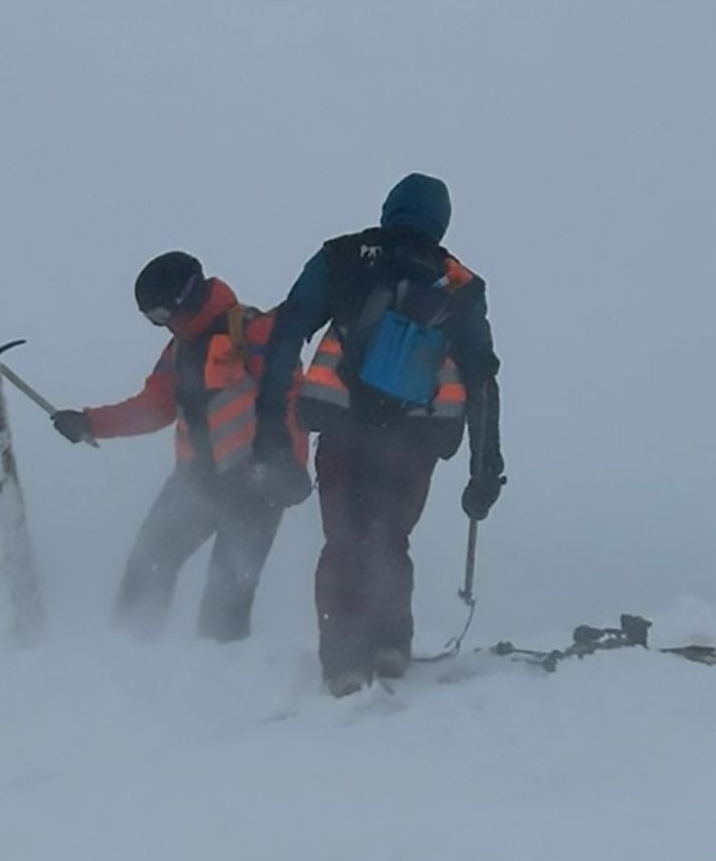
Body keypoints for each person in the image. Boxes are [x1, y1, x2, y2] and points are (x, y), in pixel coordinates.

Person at [253, 173, 505, 696]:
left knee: (344, 538)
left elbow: (288, 331)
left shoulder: (342, 257)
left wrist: (271, 420)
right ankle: (391, 644)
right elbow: (481, 378)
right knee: (390, 534)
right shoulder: (460, 283)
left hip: (344, 422)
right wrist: (486, 466)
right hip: (416, 435)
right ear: (441, 222)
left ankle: (344, 658)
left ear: (390, 209)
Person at [50, 251, 311, 643]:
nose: (161, 326)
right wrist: (90, 423)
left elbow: (290, 400)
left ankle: (220, 677)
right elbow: (155, 407)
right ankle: (126, 654)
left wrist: (289, 464)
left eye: (160, 314)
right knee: (149, 563)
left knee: (228, 590)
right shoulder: (179, 349)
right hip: (195, 481)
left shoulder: (254, 332)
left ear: (185, 297)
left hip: (254, 482)